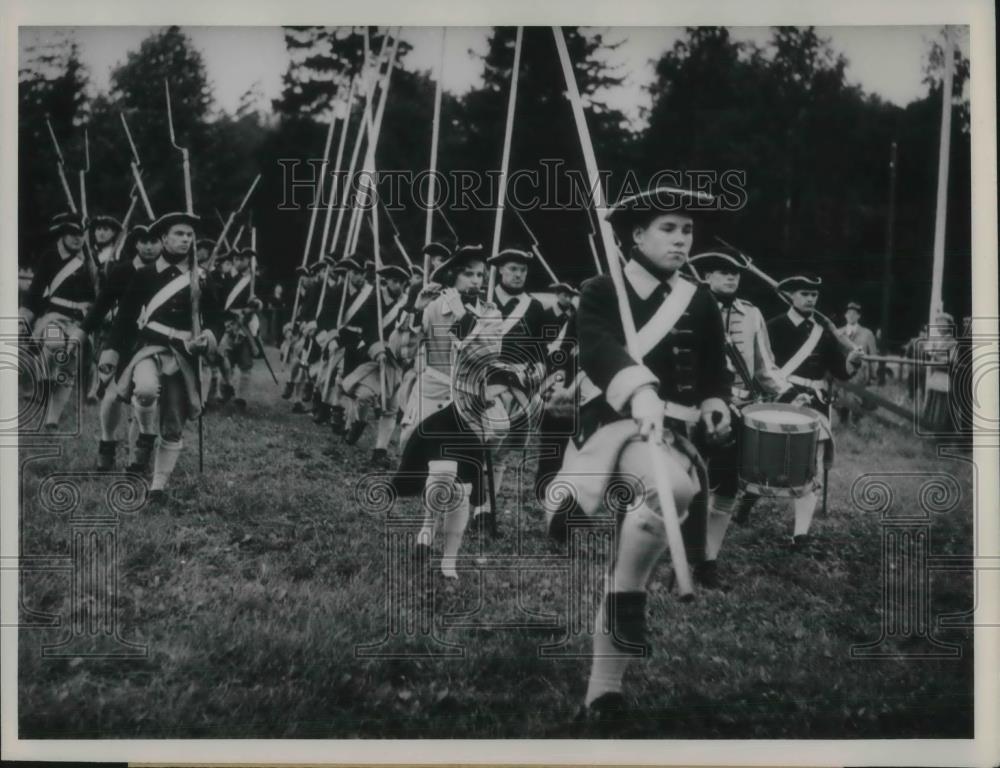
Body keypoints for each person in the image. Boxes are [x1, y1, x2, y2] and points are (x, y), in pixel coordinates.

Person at [543, 187, 731, 725]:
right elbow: (599, 348)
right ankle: (620, 623)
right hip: (617, 425)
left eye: (687, 230)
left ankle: (607, 678)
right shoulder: (602, 290)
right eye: (668, 229)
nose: (680, 240)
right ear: (637, 236)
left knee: (669, 499)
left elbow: (715, 372)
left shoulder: (700, 299)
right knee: (671, 491)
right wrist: (640, 389)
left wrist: (718, 403)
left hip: (676, 434)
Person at [686, 248, 807, 583]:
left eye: (736, 272)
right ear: (707, 276)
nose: (731, 277)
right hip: (691, 408)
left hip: (737, 410)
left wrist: (789, 392)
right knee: (682, 484)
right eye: (723, 271)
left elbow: (764, 366)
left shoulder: (751, 313)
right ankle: (673, 549)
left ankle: (707, 562)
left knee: (725, 487)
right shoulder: (685, 306)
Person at [392, 244, 509, 579]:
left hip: (468, 401)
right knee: (439, 472)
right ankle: (428, 525)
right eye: (468, 273)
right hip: (433, 394)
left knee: (460, 483)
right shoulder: (432, 308)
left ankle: (449, 561)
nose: (475, 281)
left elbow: (487, 355)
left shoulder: (490, 313)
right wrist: (415, 312)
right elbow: (404, 353)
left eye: (480, 276)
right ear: (453, 275)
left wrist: (462, 314)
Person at [101, 211, 223, 502]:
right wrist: (112, 351)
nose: (185, 239)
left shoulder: (201, 278)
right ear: (164, 238)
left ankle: (157, 487)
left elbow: (217, 319)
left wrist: (206, 338)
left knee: (172, 423)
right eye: (179, 234)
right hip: (149, 346)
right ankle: (145, 433)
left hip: (183, 354)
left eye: (189, 235)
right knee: (143, 390)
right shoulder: (145, 275)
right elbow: (126, 317)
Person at [767, 276, 862, 547]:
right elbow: (765, 367)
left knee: (810, 466)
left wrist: (852, 362)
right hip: (782, 400)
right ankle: (746, 503)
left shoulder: (823, 331)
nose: (810, 299)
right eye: (804, 293)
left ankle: (800, 534)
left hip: (816, 406)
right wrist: (784, 393)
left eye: (814, 295)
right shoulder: (773, 326)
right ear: (791, 296)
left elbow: (839, 370)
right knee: (769, 461)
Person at [474, 247, 549, 533]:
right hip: (486, 383)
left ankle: (486, 510)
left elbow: (541, 350)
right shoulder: (483, 302)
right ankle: (477, 505)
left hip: (519, 385)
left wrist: (537, 372)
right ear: (500, 271)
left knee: (502, 451)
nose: (518, 274)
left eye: (523, 270)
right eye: (513, 269)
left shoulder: (535, 307)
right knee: (486, 443)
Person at [85, 224, 162, 470]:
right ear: (136, 244)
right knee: (112, 395)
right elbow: (102, 304)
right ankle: (107, 445)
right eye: (143, 241)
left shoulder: (166, 272)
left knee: (143, 396)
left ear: (162, 243)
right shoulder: (121, 271)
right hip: (121, 338)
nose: (149, 246)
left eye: (154, 241)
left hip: (151, 341)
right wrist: (84, 329)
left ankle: (134, 457)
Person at [19, 212, 98, 430]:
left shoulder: (90, 261)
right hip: (54, 317)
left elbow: (97, 295)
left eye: (81, 234)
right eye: (72, 233)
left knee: (69, 364)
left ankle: (53, 417)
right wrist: (26, 314)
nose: (77, 239)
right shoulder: (50, 257)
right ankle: (43, 378)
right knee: (53, 344)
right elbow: (35, 292)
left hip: (79, 322)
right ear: (63, 235)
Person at [339, 263, 411, 462]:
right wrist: (377, 347)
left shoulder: (407, 303)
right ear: (386, 281)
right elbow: (367, 326)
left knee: (391, 407)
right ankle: (359, 423)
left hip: (396, 361)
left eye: (402, 282)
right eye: (395, 281)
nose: (398, 286)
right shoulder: (374, 300)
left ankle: (380, 451)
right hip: (373, 357)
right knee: (363, 395)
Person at [534, 281, 580, 507]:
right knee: (554, 442)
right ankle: (545, 491)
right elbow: (559, 352)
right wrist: (558, 380)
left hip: (590, 394)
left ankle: (571, 496)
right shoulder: (573, 320)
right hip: (564, 391)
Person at [217, 248, 264, 411]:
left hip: (246, 325)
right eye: (236, 259)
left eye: (242, 259)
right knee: (222, 357)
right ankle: (225, 389)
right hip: (229, 323)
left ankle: (241, 397)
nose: (238, 261)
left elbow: (260, 302)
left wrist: (255, 303)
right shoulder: (226, 278)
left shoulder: (254, 281)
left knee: (245, 363)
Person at [835, 301, 878, 425]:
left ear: (859, 316)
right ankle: (843, 421)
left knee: (856, 398)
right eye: (849, 313)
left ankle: (856, 422)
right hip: (841, 371)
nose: (851, 316)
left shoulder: (867, 333)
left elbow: (873, 357)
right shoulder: (838, 332)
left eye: (854, 314)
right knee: (840, 398)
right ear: (845, 315)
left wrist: (873, 376)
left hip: (859, 373)